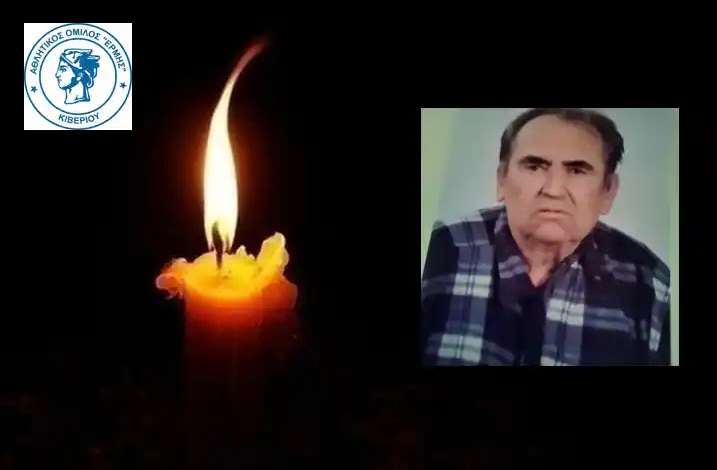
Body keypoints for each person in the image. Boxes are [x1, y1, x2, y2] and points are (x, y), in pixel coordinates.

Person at [421, 108, 671, 366]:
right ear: (502, 179)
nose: (553, 190)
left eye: (577, 170)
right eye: (534, 166)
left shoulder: (652, 286)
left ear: (608, 191)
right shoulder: (438, 250)